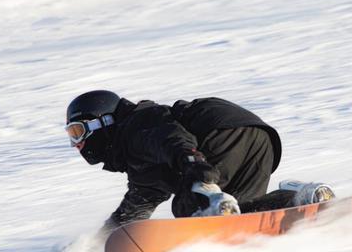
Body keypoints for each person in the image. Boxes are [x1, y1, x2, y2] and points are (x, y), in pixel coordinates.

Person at [65, 90, 334, 234]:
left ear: (103, 122)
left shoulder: (137, 126)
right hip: (258, 135)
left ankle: (211, 206)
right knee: (246, 214)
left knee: (186, 208)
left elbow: (170, 138)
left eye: (77, 131)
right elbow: (138, 203)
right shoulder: (139, 162)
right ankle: (301, 197)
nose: (76, 143)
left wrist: (195, 164)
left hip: (216, 134)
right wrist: (102, 239)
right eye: (71, 135)